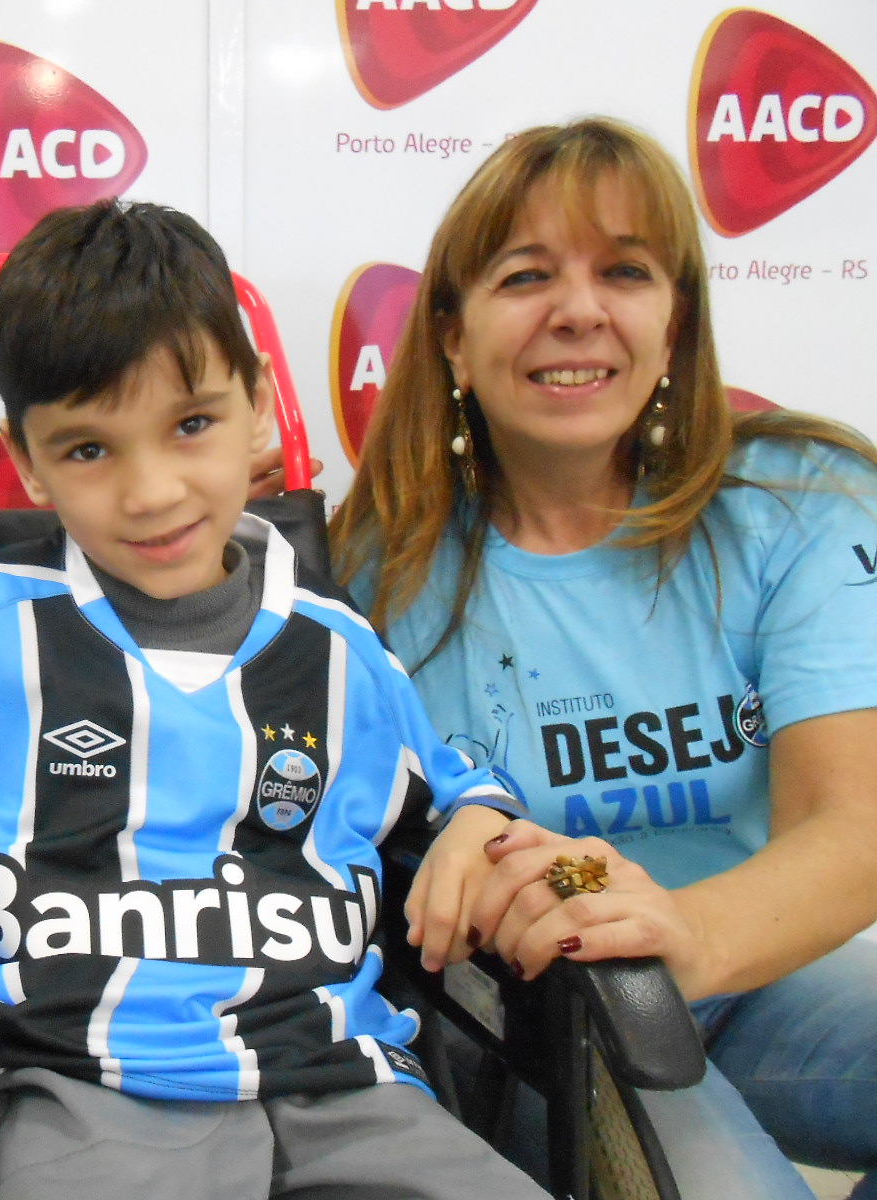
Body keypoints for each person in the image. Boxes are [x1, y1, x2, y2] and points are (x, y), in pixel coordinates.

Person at [0, 199, 547, 1200]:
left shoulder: (340, 650)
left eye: (191, 424)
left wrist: (479, 828)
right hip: (74, 1093)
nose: (152, 490)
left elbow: (457, 786)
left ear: (254, 406)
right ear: (24, 459)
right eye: (88, 449)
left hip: (352, 1093)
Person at [331, 117, 877, 1200]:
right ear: (449, 335)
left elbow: (851, 826)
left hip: (767, 969)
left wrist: (692, 932)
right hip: (547, 1017)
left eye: (624, 271)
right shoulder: (360, 573)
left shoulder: (799, 503)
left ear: (674, 322)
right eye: (525, 274)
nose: (578, 310)